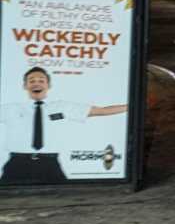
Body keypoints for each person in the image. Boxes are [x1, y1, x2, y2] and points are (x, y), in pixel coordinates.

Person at [0, 67, 128, 185]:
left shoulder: (62, 107)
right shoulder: (11, 109)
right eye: (31, 81)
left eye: (41, 80)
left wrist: (132, 106)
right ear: (25, 86)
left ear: (48, 85)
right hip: (17, 164)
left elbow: (101, 111)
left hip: (50, 164)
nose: (36, 83)